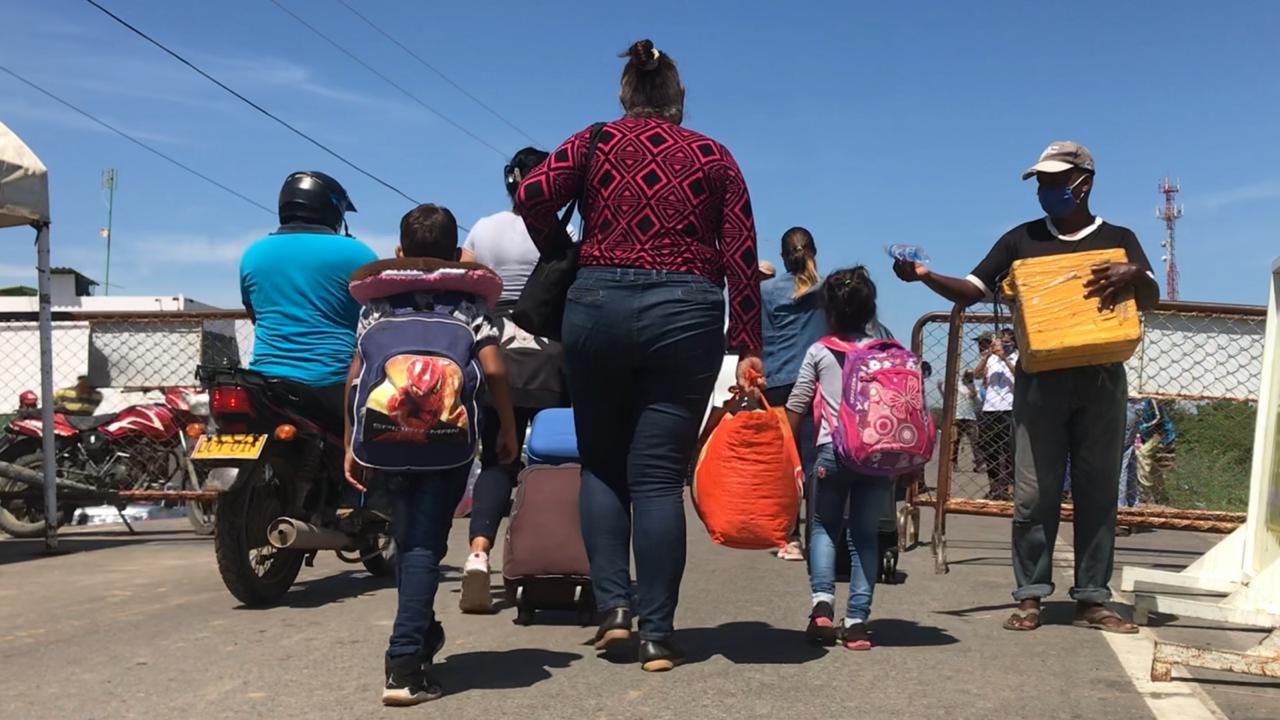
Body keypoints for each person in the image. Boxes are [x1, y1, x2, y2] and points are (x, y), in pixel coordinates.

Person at [515, 39, 762, 672]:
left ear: (625, 92)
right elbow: (739, 251)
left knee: (601, 464)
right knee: (656, 478)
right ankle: (657, 633)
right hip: (687, 312)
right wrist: (749, 345)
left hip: (596, 303)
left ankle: (614, 611)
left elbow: (533, 195)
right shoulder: (714, 155)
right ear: (679, 100)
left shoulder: (593, 141)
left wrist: (564, 247)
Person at [894, 140, 1158, 634]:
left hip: (1101, 379)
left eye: (1056, 180)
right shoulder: (1021, 240)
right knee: (1034, 494)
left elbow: (1151, 294)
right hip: (1039, 384)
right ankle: (1031, 594)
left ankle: (1092, 599)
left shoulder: (1120, 239)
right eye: (1041, 181)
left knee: (1098, 491)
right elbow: (974, 288)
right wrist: (926, 277)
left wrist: (1134, 273)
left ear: (1085, 182)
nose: (1046, 189)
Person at [342, 204, 518, 706]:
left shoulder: (377, 308)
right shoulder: (469, 308)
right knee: (422, 546)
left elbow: (355, 377)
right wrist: (504, 427)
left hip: (381, 441)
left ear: (399, 254)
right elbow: (497, 371)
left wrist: (350, 440)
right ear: (458, 257)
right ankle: (404, 666)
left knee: (407, 541)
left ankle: (421, 634)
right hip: (447, 444)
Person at [457, 147, 573, 614]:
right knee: (561, 462)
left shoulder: (484, 229)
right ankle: (555, 555)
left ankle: (479, 553)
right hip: (551, 360)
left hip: (495, 357)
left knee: (498, 461)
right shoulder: (562, 233)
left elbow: (464, 287)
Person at [786, 266, 893, 651]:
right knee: (865, 535)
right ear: (870, 309)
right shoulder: (883, 351)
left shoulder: (820, 350)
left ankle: (822, 606)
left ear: (827, 310)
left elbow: (798, 402)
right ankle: (859, 622)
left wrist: (783, 449)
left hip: (833, 451)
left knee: (823, 528)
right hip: (877, 455)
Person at [240, 171, 376, 436]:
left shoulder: (253, 253)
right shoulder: (356, 254)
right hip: (331, 383)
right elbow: (378, 318)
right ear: (333, 209)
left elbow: (254, 315)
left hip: (264, 383)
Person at [761, 227, 826, 562]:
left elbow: (758, 337)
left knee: (786, 464)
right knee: (817, 463)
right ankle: (820, 539)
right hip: (818, 382)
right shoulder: (829, 290)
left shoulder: (766, 291)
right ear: (814, 251)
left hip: (778, 383)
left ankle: (790, 538)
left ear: (784, 257)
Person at [975, 331, 1017, 499]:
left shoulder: (1016, 358)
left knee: (1008, 450)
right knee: (989, 449)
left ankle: (1009, 488)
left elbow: (1020, 376)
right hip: (990, 409)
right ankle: (994, 487)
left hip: (1009, 407)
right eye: (1001, 342)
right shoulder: (990, 359)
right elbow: (977, 374)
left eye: (1007, 342)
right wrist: (987, 356)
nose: (1003, 345)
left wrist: (1005, 359)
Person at [949, 370, 983, 472]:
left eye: (971, 375)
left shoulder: (974, 387)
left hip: (970, 417)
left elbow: (978, 403)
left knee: (975, 441)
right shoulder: (957, 385)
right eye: (967, 374)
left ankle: (979, 464)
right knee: (955, 441)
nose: (969, 377)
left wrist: (974, 394)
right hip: (958, 415)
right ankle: (953, 463)